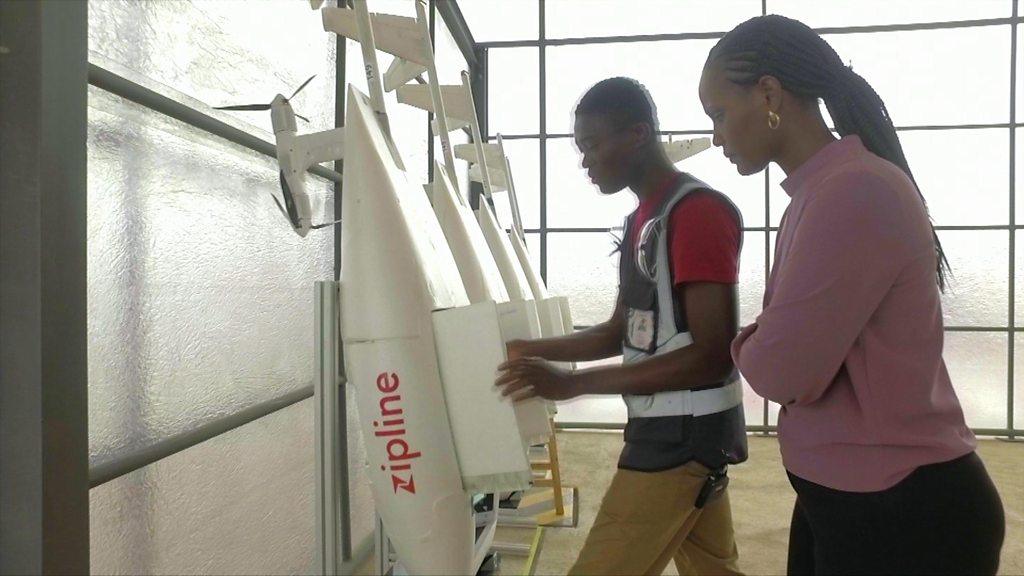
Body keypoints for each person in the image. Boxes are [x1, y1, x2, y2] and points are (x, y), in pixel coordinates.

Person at [698, 15, 1005, 575]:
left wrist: (742, 340)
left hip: (904, 510)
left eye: (718, 113)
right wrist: (766, 337)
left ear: (769, 93)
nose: (716, 135)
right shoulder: (820, 192)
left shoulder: (853, 192)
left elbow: (783, 373)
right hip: (849, 496)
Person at [495, 77, 747, 575]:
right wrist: (526, 347)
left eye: (592, 144)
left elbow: (713, 353)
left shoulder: (696, 213)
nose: (585, 161)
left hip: (682, 439)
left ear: (637, 135)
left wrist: (575, 384)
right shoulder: (640, 223)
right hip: (673, 429)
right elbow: (619, 331)